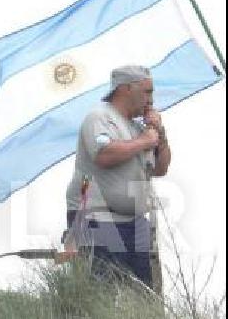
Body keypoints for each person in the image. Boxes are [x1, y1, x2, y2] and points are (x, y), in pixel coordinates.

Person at [67, 65, 171, 290]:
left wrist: (159, 134)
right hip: (98, 218)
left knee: (143, 293)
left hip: (134, 221)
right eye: (147, 92)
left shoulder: (138, 128)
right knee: (103, 292)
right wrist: (145, 141)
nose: (151, 100)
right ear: (126, 89)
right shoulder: (100, 117)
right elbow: (104, 155)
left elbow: (161, 168)